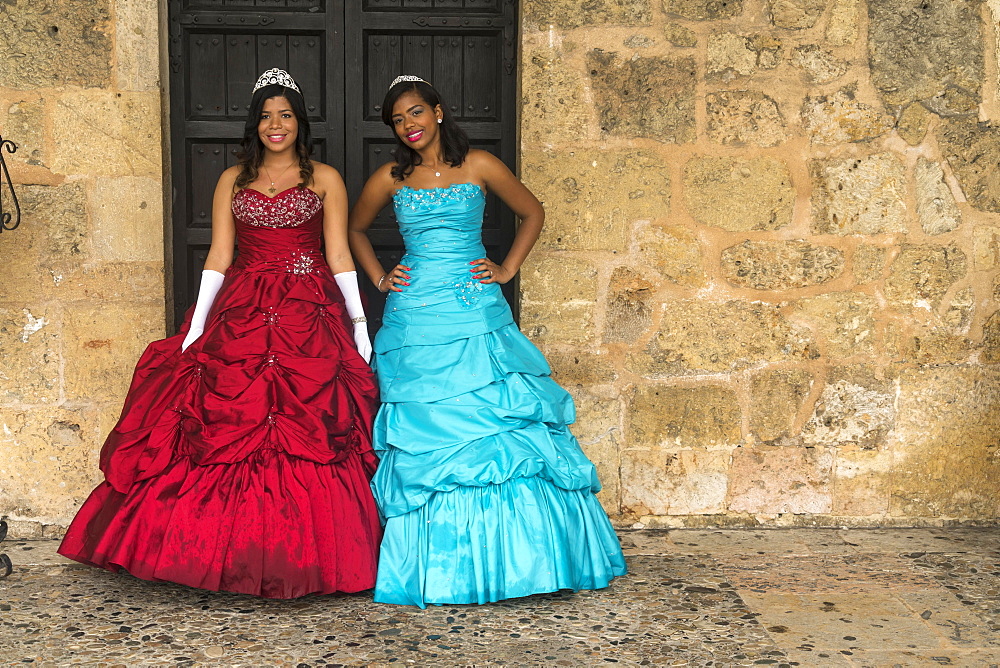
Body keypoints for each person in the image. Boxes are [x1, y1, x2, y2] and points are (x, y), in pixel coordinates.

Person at [58, 69, 382, 599]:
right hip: (244, 308)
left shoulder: (325, 178)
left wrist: (360, 323)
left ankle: (312, 556)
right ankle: (213, 553)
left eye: (285, 115)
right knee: (220, 422)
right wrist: (200, 325)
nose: (275, 125)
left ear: (300, 122)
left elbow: (339, 254)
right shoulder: (232, 179)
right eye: (265, 116)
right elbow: (220, 255)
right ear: (254, 124)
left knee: (314, 425)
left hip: (308, 310)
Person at [348, 75, 627, 608]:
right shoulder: (390, 176)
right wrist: (381, 277)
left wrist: (508, 268)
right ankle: (438, 563)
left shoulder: (477, 164)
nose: (409, 125)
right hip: (416, 316)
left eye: (415, 113)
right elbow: (355, 229)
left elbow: (533, 211)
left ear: (437, 110)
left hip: (475, 308)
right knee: (429, 429)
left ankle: (526, 555)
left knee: (496, 420)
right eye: (398, 120)